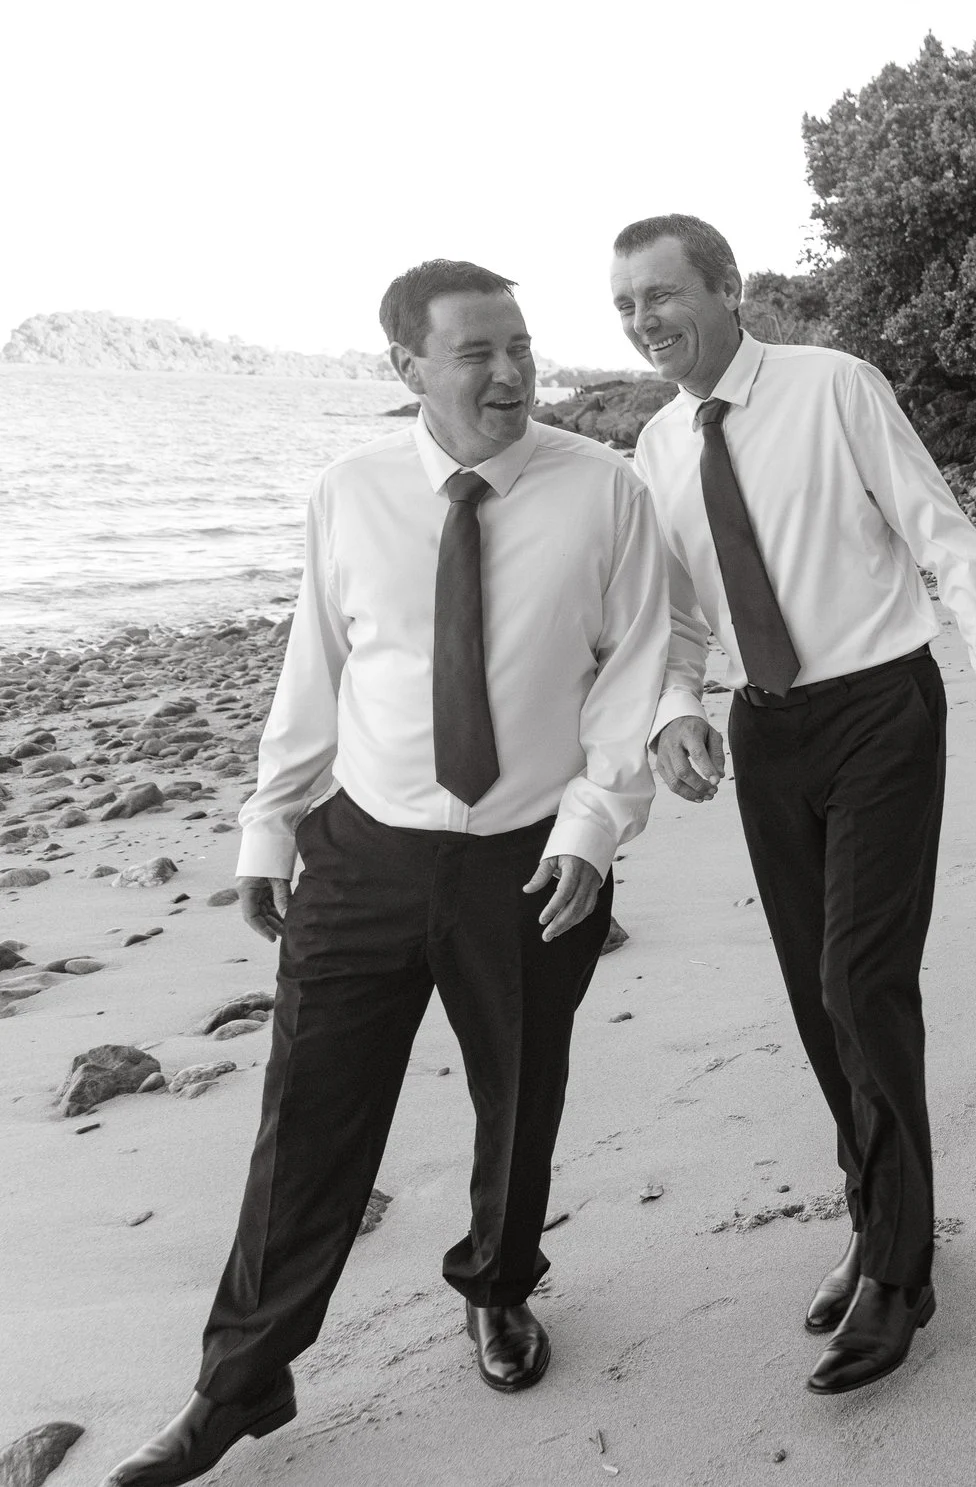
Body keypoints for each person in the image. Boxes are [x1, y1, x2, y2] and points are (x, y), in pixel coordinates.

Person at [103, 262, 670, 1487]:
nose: (511, 370)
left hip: (531, 857)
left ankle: (499, 1288)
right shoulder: (348, 491)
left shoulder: (605, 489)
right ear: (406, 367)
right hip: (362, 849)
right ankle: (239, 1379)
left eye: (520, 344)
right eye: (476, 351)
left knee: (521, 1098)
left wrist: (592, 823)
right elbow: (317, 665)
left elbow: (632, 672)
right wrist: (269, 823)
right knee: (306, 1117)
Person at [614, 214, 976, 1396]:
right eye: (626, 308)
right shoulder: (657, 448)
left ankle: (902, 1273)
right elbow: (681, 618)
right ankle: (872, 1220)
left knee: (863, 978)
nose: (647, 321)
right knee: (817, 995)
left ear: (727, 287)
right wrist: (675, 709)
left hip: (880, 710)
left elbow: (945, 539)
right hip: (769, 728)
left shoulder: (833, 386)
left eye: (664, 294)